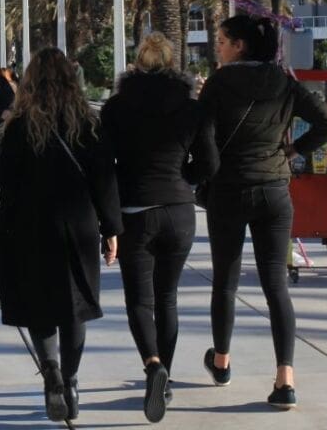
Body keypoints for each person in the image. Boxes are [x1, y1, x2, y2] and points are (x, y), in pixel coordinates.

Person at [196, 16, 327, 410]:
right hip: (274, 188)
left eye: (222, 40)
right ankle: (285, 380)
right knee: (275, 285)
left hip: (228, 189)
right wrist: (293, 150)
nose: (218, 47)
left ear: (239, 45)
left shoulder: (218, 84)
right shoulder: (283, 81)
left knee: (225, 281)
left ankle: (221, 363)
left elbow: (201, 137)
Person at [0, 47, 121, 423]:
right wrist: (111, 228)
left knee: (38, 302)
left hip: (29, 225)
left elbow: (6, 181)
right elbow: (104, 179)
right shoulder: (87, 124)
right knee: (75, 305)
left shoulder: (18, 126)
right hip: (77, 224)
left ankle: (50, 371)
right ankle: (71, 381)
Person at [100, 33, 218, 422]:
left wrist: (107, 221)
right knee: (167, 297)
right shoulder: (192, 108)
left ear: (138, 63)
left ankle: (153, 365)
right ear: (171, 63)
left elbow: (104, 167)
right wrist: (184, 179)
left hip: (135, 212)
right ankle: (164, 377)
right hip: (179, 211)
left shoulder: (116, 108)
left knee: (140, 300)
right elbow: (210, 164)